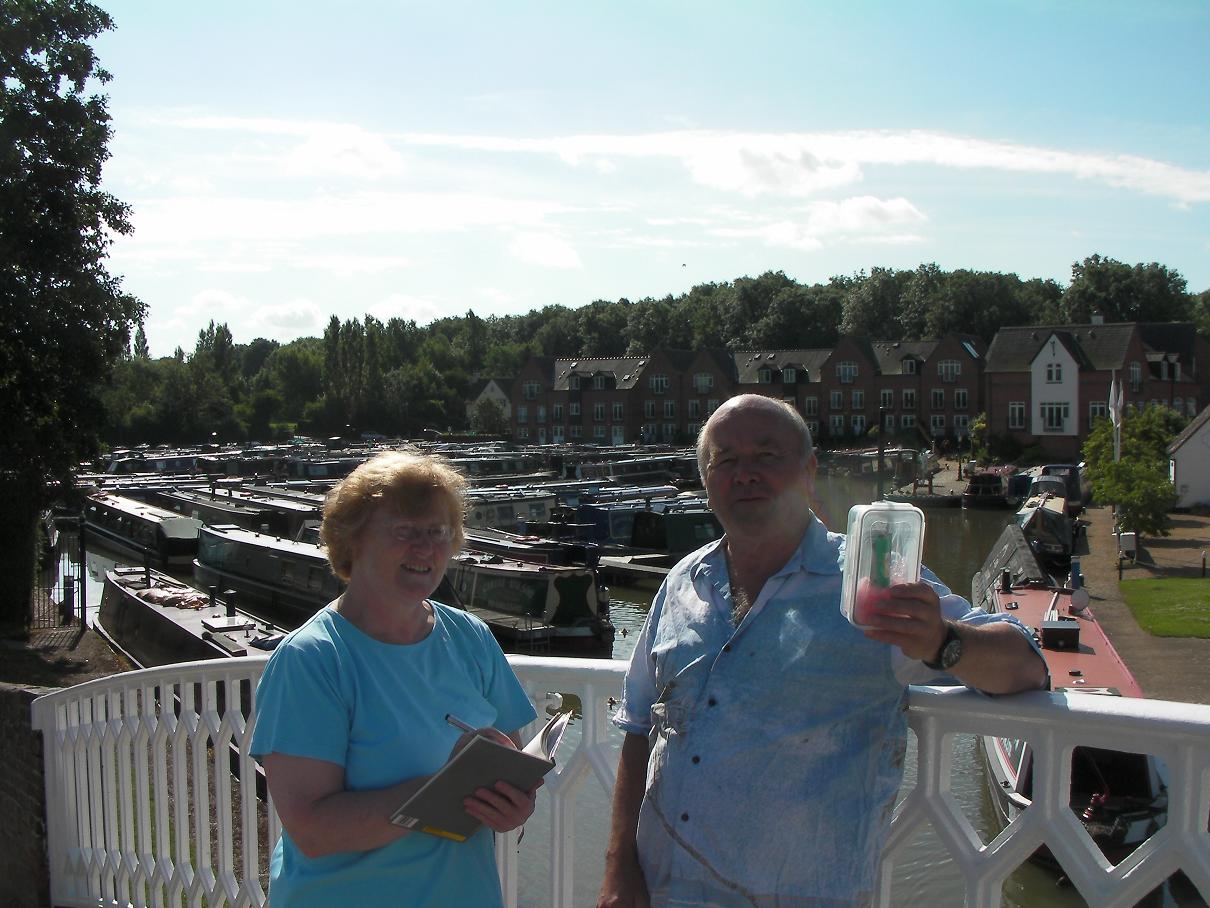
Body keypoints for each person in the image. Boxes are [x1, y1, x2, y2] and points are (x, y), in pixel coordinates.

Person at [598, 395, 1048, 908]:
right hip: (660, 886)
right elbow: (638, 725)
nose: (744, 474)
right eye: (725, 459)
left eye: (767, 455)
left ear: (810, 471)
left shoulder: (867, 582)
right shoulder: (682, 583)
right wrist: (618, 866)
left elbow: (1025, 665)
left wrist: (940, 641)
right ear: (705, 479)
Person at [251, 451, 539, 907]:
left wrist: (512, 807)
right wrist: (443, 789)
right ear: (353, 541)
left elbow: (514, 763)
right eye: (403, 532)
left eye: (437, 533)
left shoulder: (472, 638)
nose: (424, 549)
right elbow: (312, 828)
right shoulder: (313, 659)